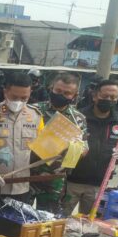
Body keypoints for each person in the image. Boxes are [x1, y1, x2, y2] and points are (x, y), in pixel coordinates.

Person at [0, 72, 44, 216]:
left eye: (24, 97)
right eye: (14, 97)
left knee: (16, 235)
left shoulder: (36, 117)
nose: (19, 101)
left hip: (21, 189)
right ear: (5, 91)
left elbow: (41, 150)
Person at [65, 80, 118, 215]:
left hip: (99, 183)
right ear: (95, 96)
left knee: (89, 224)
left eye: (113, 97)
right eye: (105, 96)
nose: (108, 100)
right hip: (72, 181)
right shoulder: (78, 117)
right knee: (61, 219)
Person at [31, 73, 88, 214]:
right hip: (27, 174)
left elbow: (84, 148)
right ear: (51, 88)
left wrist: (76, 150)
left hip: (55, 179)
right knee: (19, 218)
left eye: (67, 93)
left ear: (75, 95)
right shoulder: (33, 111)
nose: (61, 95)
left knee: (47, 223)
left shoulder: (78, 118)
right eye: (58, 91)